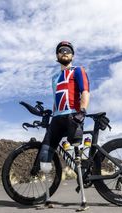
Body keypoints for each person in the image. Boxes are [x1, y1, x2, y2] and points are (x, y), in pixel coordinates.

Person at [38, 41, 90, 210]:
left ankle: (83, 200)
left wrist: (82, 110)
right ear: (57, 56)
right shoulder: (54, 78)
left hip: (72, 116)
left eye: (68, 51)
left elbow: (85, 91)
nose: (65, 52)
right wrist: (50, 114)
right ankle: (47, 199)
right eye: (61, 51)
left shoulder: (78, 71)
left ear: (72, 55)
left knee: (76, 156)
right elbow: (56, 99)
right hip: (57, 119)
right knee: (45, 154)